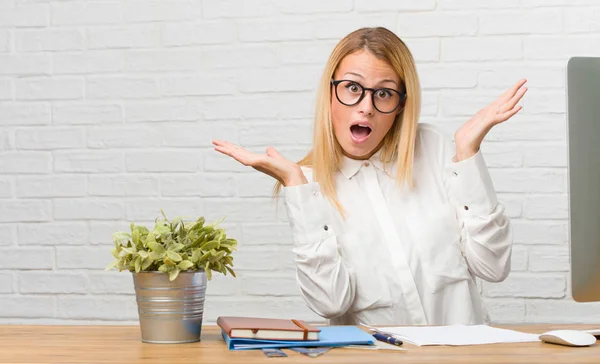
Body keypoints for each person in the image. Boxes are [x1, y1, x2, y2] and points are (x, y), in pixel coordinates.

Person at [213, 27, 527, 326]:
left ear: (401, 105)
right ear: (330, 92)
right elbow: (329, 302)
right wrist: (297, 186)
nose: (366, 107)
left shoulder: (435, 149)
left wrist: (467, 154)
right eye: (352, 88)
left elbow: (493, 266)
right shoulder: (308, 186)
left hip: (462, 354)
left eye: (384, 93)